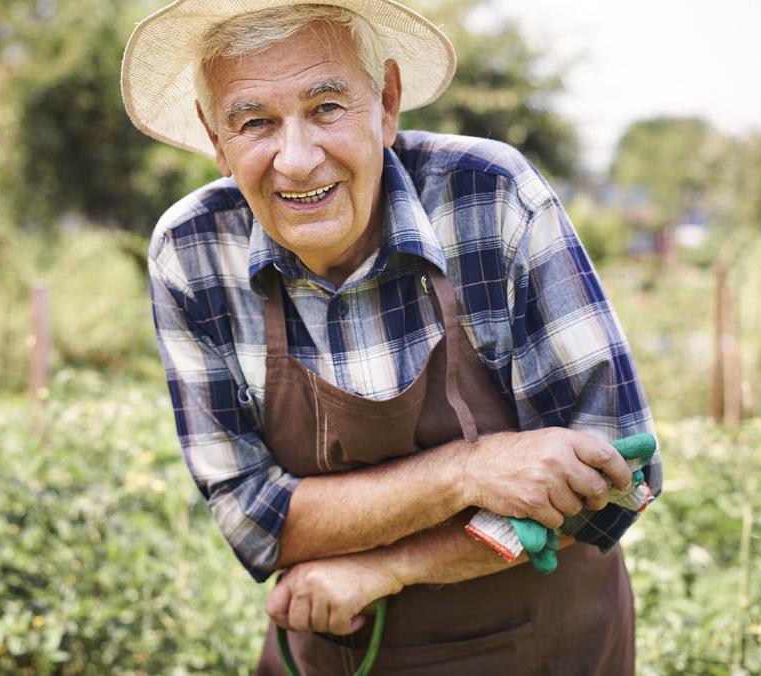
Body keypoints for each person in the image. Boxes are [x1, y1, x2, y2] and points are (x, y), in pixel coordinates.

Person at [121, 1, 661, 673]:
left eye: (326, 108)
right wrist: (470, 470)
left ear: (387, 103)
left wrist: (389, 567)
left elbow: (618, 474)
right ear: (214, 136)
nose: (296, 159)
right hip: (332, 653)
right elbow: (254, 519)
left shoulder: (490, 199)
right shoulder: (192, 253)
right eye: (255, 121)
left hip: (540, 647)